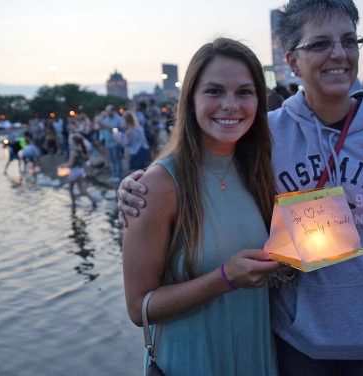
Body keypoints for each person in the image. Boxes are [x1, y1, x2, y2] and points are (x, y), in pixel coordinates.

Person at [118, 1, 363, 375]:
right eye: (321, 43)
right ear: (292, 61)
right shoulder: (262, 138)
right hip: (293, 345)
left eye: (349, 41)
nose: (339, 54)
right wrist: (136, 187)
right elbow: (199, 168)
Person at [122, 38, 282, 375]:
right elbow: (139, 309)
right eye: (214, 91)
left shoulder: (258, 171)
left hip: (255, 357)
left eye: (244, 92)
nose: (230, 105)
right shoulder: (158, 185)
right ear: (190, 100)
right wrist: (225, 278)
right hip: (193, 361)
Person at [60, 134, 97, 211]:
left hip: (74, 172)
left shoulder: (73, 151)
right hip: (80, 170)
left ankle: (73, 205)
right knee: (81, 188)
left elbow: (70, 164)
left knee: (70, 189)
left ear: (73, 142)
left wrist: (63, 165)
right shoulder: (80, 149)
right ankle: (93, 200)